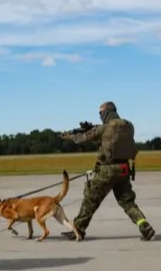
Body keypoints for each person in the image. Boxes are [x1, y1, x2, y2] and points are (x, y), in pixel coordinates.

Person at [61, 101, 155, 241]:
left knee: (91, 199)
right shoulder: (129, 126)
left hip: (107, 170)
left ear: (106, 112)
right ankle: (145, 227)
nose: (100, 115)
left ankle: (78, 229)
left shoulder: (104, 128)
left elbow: (83, 138)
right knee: (128, 203)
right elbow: (115, 133)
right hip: (124, 169)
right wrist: (93, 127)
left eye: (101, 113)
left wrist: (71, 136)